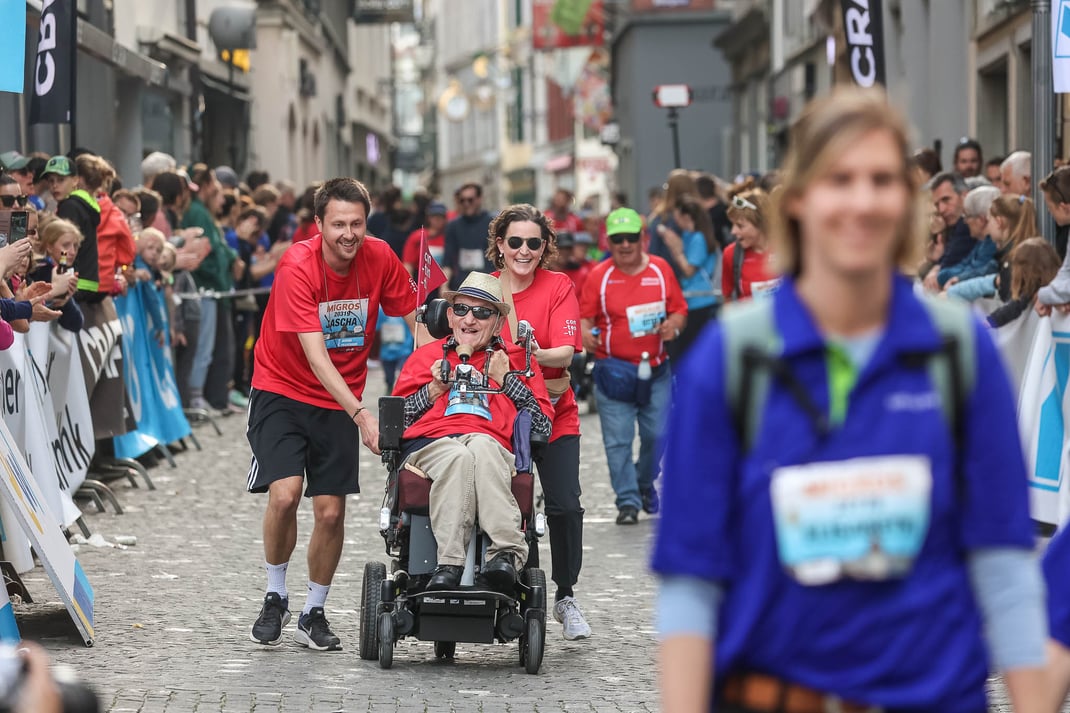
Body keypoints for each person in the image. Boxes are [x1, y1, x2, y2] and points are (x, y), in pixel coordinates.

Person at [653, 87, 1047, 713]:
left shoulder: (956, 350)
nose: (862, 201)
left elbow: (1001, 559)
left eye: (883, 179)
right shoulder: (733, 358)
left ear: (905, 202)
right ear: (802, 200)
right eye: (840, 178)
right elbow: (691, 583)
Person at [246, 177, 420, 651]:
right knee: (285, 495)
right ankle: (275, 594)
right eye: (338, 224)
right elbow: (316, 356)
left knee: (330, 511)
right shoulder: (296, 265)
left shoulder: (381, 255)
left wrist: (440, 364)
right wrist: (362, 415)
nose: (348, 234)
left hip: (339, 397)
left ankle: (312, 611)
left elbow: (417, 319)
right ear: (318, 224)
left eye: (357, 224)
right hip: (281, 388)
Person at [391, 272, 553, 593]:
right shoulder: (425, 356)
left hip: (493, 445)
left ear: (496, 323)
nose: (470, 319)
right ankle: (449, 562)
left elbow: (542, 427)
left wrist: (508, 381)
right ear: (450, 316)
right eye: (463, 310)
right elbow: (395, 422)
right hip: (432, 446)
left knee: (479, 446)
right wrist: (434, 389)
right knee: (458, 455)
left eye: (482, 312)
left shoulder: (516, 360)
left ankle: (505, 553)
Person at [485, 204, 591, 639]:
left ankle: (565, 595)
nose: (524, 251)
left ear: (545, 246)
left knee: (565, 504)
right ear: (499, 245)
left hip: (556, 412)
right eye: (515, 242)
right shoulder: (485, 289)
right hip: (504, 416)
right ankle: (525, 593)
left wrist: (523, 353)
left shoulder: (559, 285)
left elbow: (565, 353)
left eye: (533, 242)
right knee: (516, 505)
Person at [580, 207, 687, 525]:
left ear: (643, 238)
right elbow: (585, 319)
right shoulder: (599, 276)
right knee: (618, 440)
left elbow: (679, 309)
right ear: (609, 242)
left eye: (631, 238)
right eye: (617, 239)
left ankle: (643, 483)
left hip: (655, 369)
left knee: (660, 433)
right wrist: (586, 334)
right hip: (614, 371)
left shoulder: (660, 269)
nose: (625, 245)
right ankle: (627, 501)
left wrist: (674, 326)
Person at [657, 195, 720, 356]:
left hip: (701, 300)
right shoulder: (688, 235)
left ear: (685, 217)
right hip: (690, 299)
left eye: (677, 216)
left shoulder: (699, 238)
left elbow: (689, 270)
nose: (675, 220)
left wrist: (677, 252)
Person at [721, 186, 778, 301]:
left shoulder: (787, 248)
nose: (733, 231)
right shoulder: (731, 255)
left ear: (760, 224)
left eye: (740, 226)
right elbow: (728, 299)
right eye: (732, 225)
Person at [444, 182, 496, 289]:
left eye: (470, 200)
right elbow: (447, 261)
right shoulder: (453, 226)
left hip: (489, 283)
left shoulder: (493, 223)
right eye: (462, 200)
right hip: (462, 285)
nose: (466, 204)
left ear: (479, 199)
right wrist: (444, 287)